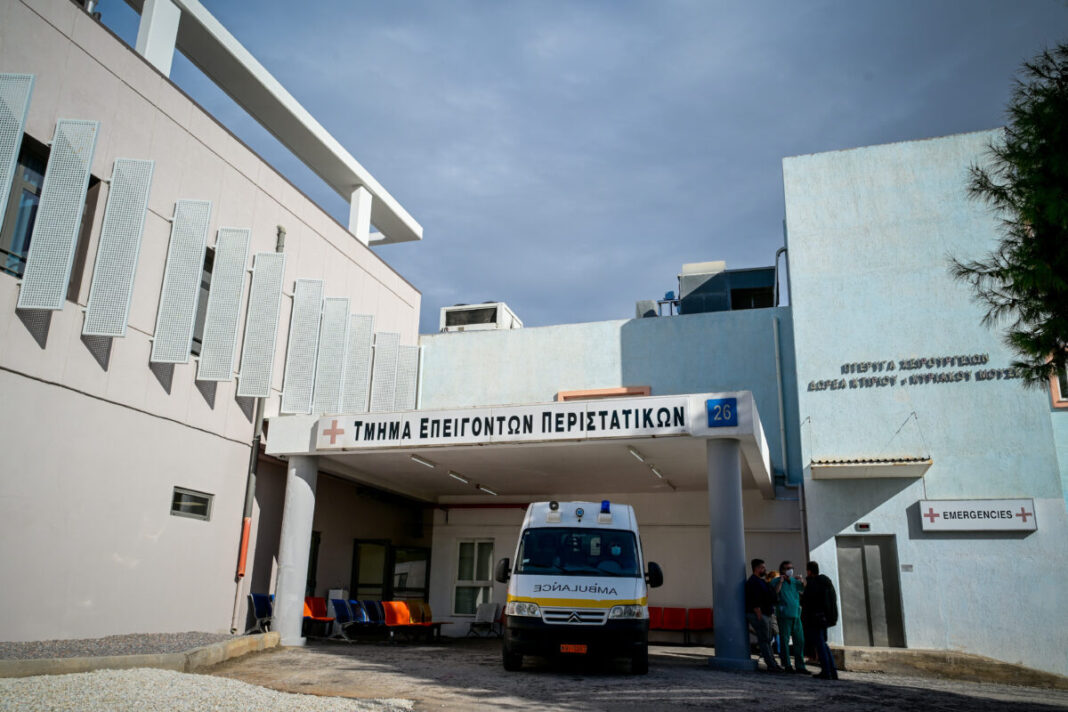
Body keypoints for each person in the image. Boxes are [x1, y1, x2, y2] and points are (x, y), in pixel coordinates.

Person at [800, 560, 839, 680]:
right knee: (823, 644)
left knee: (820, 645)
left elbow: (807, 601)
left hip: (815, 618)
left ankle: (826, 671)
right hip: (825, 618)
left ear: (809, 571)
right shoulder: (826, 582)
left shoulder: (813, 583)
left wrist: (803, 589)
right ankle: (832, 671)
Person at [745, 558, 782, 672]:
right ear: (757, 569)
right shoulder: (753, 582)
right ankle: (771, 664)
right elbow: (754, 599)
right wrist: (759, 614)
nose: (765, 570)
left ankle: (773, 663)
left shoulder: (762, 581)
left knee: (767, 640)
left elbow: (772, 595)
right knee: (764, 640)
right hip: (761, 615)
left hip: (767, 614)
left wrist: (778, 582)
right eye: (763, 568)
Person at [772, 560, 809, 674]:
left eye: (792, 568)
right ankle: (787, 664)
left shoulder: (794, 581)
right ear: (782, 570)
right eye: (788, 568)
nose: (790, 570)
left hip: (796, 614)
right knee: (784, 640)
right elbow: (774, 593)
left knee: (799, 640)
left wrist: (802, 581)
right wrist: (781, 582)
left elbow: (804, 589)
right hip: (784, 614)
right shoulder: (776, 581)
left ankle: (800, 666)